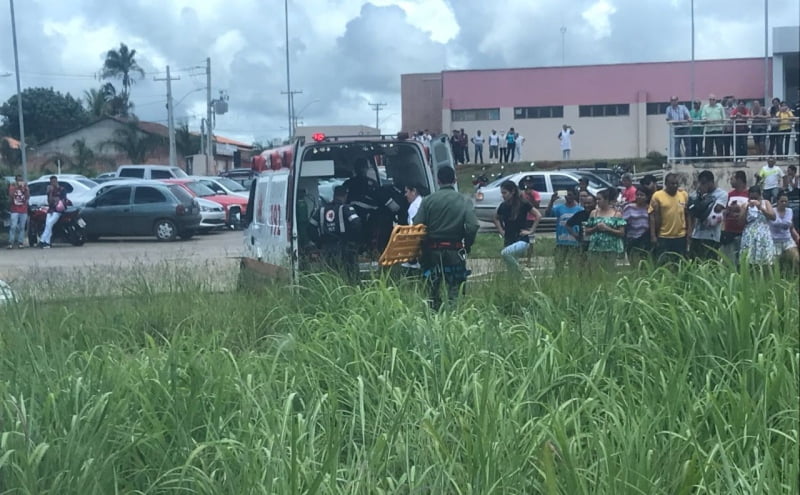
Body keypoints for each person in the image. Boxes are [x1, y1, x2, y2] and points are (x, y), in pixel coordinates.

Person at [413, 166, 479, 310]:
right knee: (455, 290)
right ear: (454, 180)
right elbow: (473, 226)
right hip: (455, 251)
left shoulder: (428, 201)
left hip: (432, 252)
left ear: (438, 180)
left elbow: (416, 225)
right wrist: (467, 245)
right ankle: (453, 320)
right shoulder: (464, 201)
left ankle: (434, 318)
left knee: (432, 289)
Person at [308, 185, 362, 282]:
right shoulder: (346, 208)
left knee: (330, 276)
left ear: (334, 195)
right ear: (345, 195)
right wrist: (354, 239)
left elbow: (310, 227)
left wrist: (319, 242)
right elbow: (356, 223)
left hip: (326, 248)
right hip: (344, 247)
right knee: (350, 275)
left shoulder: (321, 210)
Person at [493, 180, 534, 274]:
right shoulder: (503, 206)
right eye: (502, 193)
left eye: (505, 193)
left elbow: (538, 215)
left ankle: (520, 275)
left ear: (512, 192)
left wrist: (531, 231)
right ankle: (516, 282)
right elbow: (495, 218)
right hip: (509, 238)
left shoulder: (523, 203)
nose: (503, 195)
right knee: (510, 265)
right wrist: (501, 230)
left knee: (505, 253)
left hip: (522, 239)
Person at [649, 172, 689, 264]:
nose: (675, 186)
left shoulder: (683, 195)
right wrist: (653, 235)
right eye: (672, 183)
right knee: (663, 263)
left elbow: (687, 214)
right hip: (664, 236)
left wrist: (688, 232)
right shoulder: (657, 196)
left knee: (679, 263)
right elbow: (652, 216)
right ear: (666, 184)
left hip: (680, 236)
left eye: (676, 184)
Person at [688, 170, 728, 260]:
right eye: (701, 183)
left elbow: (712, 212)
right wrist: (699, 197)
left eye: (704, 183)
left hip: (712, 237)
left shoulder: (722, 194)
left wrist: (703, 197)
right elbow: (692, 212)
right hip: (697, 235)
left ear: (711, 182)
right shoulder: (696, 195)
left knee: (710, 263)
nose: (702, 185)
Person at [583, 188, 626, 271]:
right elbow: (587, 231)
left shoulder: (616, 214)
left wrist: (607, 229)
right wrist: (596, 228)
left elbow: (621, 232)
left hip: (611, 247)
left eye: (599, 199)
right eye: (596, 199)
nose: (597, 201)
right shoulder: (594, 213)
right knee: (595, 270)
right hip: (595, 248)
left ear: (606, 200)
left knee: (609, 269)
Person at [546, 188, 583, 269]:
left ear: (575, 196)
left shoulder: (580, 209)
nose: (568, 197)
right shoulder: (559, 208)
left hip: (574, 241)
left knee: (573, 266)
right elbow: (548, 213)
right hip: (561, 241)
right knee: (559, 264)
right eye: (566, 195)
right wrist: (552, 201)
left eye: (570, 195)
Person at [739, 186, 776, 267]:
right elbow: (740, 222)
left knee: (765, 261)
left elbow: (773, 217)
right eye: (751, 197)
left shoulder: (766, 203)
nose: (753, 200)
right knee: (749, 260)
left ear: (760, 196)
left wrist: (760, 208)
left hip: (763, 234)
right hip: (749, 235)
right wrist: (746, 209)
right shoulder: (745, 205)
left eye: (755, 198)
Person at [720, 170, 750, 265]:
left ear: (739, 180)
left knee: (743, 261)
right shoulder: (729, 195)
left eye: (732, 178)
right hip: (729, 231)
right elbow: (724, 211)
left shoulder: (748, 194)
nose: (730, 181)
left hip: (744, 232)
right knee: (729, 260)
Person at [770, 192, 799, 271]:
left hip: (787, 240)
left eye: (786, 201)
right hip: (774, 241)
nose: (784, 203)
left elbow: (791, 225)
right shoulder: (772, 211)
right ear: (777, 201)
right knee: (774, 265)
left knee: (796, 259)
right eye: (782, 201)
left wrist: (796, 236)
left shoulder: (789, 211)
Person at [623, 186, 652, 266]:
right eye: (637, 195)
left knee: (644, 262)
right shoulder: (629, 207)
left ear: (647, 197)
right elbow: (623, 223)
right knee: (633, 262)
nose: (639, 197)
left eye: (642, 195)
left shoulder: (650, 208)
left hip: (645, 240)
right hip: (632, 239)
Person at [39, 176, 67, 249]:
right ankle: (47, 242)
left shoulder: (61, 189)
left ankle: (42, 240)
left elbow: (63, 199)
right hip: (51, 209)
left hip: (58, 210)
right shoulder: (50, 190)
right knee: (48, 225)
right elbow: (49, 201)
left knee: (50, 223)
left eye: (54, 181)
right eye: (52, 182)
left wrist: (58, 200)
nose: (53, 183)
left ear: (57, 181)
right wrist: (50, 192)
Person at [665, 96, 692, 161]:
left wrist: (688, 118)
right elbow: (667, 118)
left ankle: (688, 160)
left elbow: (688, 116)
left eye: (675, 100)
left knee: (688, 145)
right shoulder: (669, 109)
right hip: (676, 129)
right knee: (676, 146)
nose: (673, 101)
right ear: (670, 101)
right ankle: (677, 160)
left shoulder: (682, 107)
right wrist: (673, 121)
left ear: (677, 100)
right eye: (672, 100)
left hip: (685, 128)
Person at [7, 175, 29, 249]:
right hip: (14, 209)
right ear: (16, 181)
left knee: (22, 227)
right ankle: (11, 242)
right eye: (18, 180)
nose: (20, 182)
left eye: (21, 180)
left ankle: (20, 242)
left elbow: (27, 197)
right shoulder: (12, 187)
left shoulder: (25, 187)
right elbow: (10, 196)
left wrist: (26, 189)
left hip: (23, 209)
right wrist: (16, 188)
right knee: (13, 226)